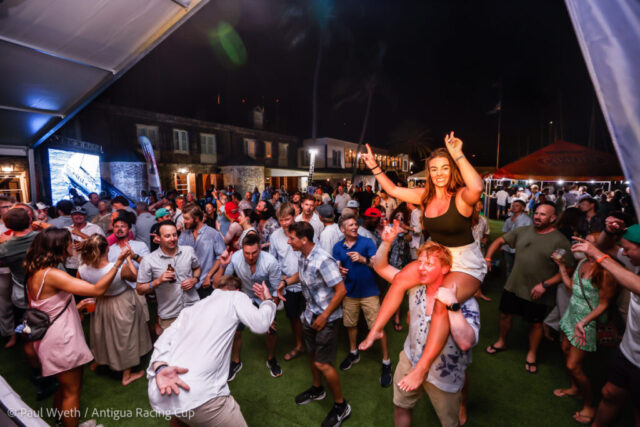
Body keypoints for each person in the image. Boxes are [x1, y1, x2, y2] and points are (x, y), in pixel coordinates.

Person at [360, 132, 487, 391]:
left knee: (442, 301)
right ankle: (377, 330)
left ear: (452, 170)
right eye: (434, 169)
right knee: (399, 280)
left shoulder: (461, 196)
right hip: (437, 257)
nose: (439, 173)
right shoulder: (425, 196)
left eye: (444, 168)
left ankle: (422, 367)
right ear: (428, 172)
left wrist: (458, 154)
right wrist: (374, 166)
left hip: (465, 262)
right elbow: (393, 190)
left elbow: (476, 187)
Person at [363, 222, 479, 427]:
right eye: (420, 262)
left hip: (444, 373)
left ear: (445, 268)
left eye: (429, 264)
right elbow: (381, 267)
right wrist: (386, 243)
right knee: (401, 406)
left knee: (449, 423)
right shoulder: (415, 285)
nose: (421, 267)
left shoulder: (464, 301)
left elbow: (465, 342)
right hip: (410, 358)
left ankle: (462, 405)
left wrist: (453, 306)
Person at [24, 228, 129, 427]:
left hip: (49, 336)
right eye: (69, 242)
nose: (72, 245)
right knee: (72, 391)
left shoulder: (36, 271)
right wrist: (118, 263)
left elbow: (44, 305)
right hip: (61, 339)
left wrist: (75, 306)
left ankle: (61, 421)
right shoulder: (52, 274)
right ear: (58, 247)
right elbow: (97, 289)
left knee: (64, 386)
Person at [146, 276, 276, 427]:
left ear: (215, 288)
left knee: (183, 416)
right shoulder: (236, 296)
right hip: (202, 395)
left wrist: (160, 367)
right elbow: (261, 323)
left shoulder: (190, 309)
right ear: (237, 290)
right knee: (197, 409)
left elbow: (163, 339)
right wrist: (268, 300)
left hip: (164, 387)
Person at [484, 202, 574, 373]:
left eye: (543, 214)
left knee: (536, 324)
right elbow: (499, 241)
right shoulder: (523, 231)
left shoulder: (559, 241)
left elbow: (568, 269)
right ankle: (501, 342)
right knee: (505, 315)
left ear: (552, 218)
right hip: (513, 285)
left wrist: (545, 284)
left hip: (538, 290)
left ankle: (532, 354)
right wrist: (488, 258)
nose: (537, 217)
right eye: (536, 213)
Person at [277, 221, 350, 427]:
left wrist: (325, 315)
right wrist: (285, 282)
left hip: (326, 319)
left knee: (322, 363)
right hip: (310, 315)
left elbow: (341, 291)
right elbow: (300, 276)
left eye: (292, 238)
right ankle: (318, 389)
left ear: (303, 240)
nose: (289, 242)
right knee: (312, 354)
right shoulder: (303, 255)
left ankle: (341, 406)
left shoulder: (323, 260)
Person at [572, 219, 640, 426]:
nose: (623, 253)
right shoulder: (635, 261)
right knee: (610, 393)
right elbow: (604, 247)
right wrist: (609, 232)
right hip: (629, 351)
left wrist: (598, 256)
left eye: (628, 249)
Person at [550, 233, 617, 424]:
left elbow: (604, 304)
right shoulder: (582, 263)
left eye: (588, 242)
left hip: (587, 322)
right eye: (583, 240)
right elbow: (572, 287)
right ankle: (575, 388)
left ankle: (589, 405)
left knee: (573, 365)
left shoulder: (605, 271)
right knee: (565, 349)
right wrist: (561, 266)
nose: (582, 244)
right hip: (572, 315)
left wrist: (584, 321)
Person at [78, 234, 152, 386]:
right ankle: (127, 375)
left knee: (103, 334)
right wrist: (128, 259)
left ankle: (100, 361)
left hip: (101, 303)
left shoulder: (82, 269)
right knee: (126, 337)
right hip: (122, 302)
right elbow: (136, 277)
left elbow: (82, 286)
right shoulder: (118, 268)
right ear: (107, 249)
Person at [332, 213, 392, 387]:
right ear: (342, 229)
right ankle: (353, 352)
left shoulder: (367, 242)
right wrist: (339, 271)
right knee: (350, 324)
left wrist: (363, 259)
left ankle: (386, 361)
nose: (355, 227)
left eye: (355, 224)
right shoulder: (337, 247)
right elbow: (337, 266)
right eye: (350, 225)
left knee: (377, 327)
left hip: (369, 292)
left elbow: (377, 265)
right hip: (349, 292)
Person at [213, 232, 282, 380]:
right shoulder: (235, 258)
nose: (250, 257)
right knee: (236, 331)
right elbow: (218, 284)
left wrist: (270, 312)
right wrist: (223, 265)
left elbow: (276, 291)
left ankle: (271, 359)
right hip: (244, 296)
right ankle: (235, 361)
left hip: (265, 297)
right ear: (241, 249)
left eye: (254, 253)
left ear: (260, 249)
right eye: (247, 253)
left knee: (271, 330)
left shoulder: (271, 262)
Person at [136, 221, 201, 333]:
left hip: (193, 309)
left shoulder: (188, 251)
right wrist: (158, 281)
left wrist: (194, 280)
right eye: (167, 236)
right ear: (158, 238)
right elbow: (139, 289)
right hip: (170, 315)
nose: (172, 239)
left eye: (174, 235)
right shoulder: (148, 260)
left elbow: (197, 268)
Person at [269, 203, 305, 362]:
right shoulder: (275, 236)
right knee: (293, 316)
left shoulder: (304, 230)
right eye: (281, 220)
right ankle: (299, 345)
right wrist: (280, 278)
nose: (284, 223)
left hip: (308, 282)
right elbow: (273, 260)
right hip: (289, 284)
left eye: (287, 219)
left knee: (311, 315)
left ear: (294, 216)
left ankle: (314, 344)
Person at [179, 204, 225, 298]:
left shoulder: (213, 234)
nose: (184, 221)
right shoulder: (184, 234)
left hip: (205, 283)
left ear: (196, 219)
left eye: (187, 219)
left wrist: (208, 276)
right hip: (188, 284)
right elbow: (177, 252)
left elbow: (221, 257)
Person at [65, 207, 105, 278]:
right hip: (71, 265)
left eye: (81, 214)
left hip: (90, 265)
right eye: (75, 214)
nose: (78, 216)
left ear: (85, 216)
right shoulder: (66, 229)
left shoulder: (95, 228)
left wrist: (82, 237)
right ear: (71, 216)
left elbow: (103, 244)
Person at [500, 199, 532, 277]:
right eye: (513, 205)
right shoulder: (508, 220)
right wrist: (502, 245)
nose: (514, 207)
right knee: (508, 268)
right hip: (507, 248)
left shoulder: (527, 220)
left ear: (523, 208)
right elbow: (505, 233)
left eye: (517, 206)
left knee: (519, 269)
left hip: (520, 249)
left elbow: (529, 235)